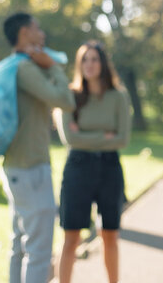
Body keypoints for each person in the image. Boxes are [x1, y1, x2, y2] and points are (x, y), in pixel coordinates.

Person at [1, 12, 75, 283]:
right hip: (31, 169)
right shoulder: (25, 68)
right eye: (37, 28)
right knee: (39, 250)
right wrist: (53, 66)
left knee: (20, 245)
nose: (42, 33)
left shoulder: (15, 66)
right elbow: (65, 100)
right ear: (24, 33)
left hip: (17, 167)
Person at [55, 41, 131, 283]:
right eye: (84, 60)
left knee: (109, 234)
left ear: (103, 63)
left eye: (94, 59)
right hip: (78, 168)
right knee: (71, 237)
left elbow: (122, 139)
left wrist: (86, 136)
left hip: (110, 168)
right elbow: (70, 138)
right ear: (79, 65)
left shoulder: (118, 96)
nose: (89, 64)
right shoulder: (70, 96)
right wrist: (103, 136)